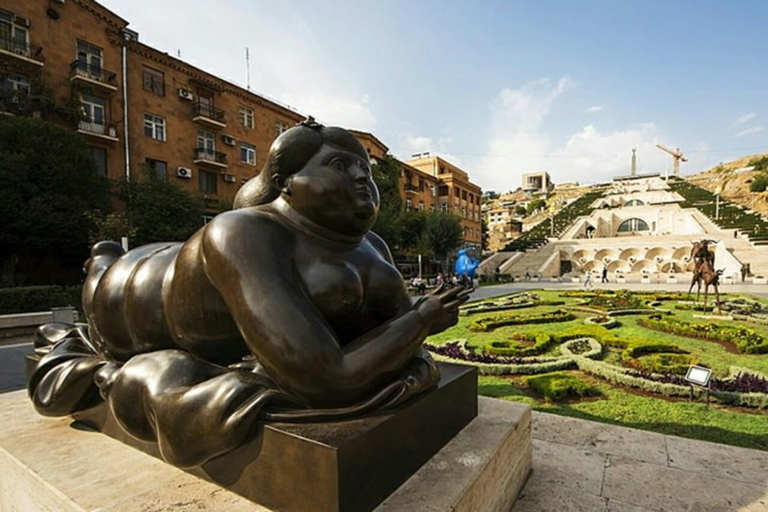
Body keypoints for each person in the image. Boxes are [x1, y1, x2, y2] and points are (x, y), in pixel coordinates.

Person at [29, 121, 470, 468]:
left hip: (165, 269)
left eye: (365, 171)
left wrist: (414, 321)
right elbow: (325, 378)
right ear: (287, 181)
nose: (361, 178)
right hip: (131, 298)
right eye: (340, 166)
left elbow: (387, 335)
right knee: (104, 282)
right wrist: (420, 321)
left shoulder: (372, 245)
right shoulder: (242, 232)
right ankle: (101, 260)